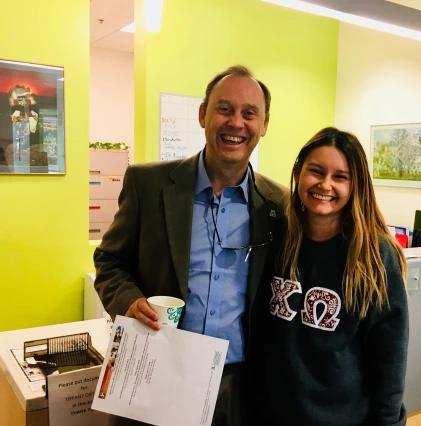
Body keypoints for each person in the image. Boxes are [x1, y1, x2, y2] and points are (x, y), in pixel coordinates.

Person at [94, 65, 288, 426]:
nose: (236, 123)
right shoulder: (147, 184)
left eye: (250, 113)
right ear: (203, 114)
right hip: (154, 368)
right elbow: (109, 261)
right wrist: (128, 301)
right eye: (224, 109)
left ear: (264, 124)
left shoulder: (278, 204)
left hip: (238, 384)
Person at [252, 127, 409, 426]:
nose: (325, 184)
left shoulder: (374, 255)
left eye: (340, 177)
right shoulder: (277, 237)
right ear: (299, 172)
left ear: (356, 185)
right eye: (316, 171)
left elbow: (390, 360)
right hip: (269, 415)